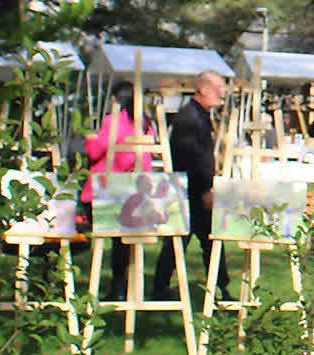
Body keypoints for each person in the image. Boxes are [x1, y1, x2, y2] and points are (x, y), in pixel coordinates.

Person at [154, 70, 229, 301]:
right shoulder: (190, 118)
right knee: (188, 240)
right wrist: (204, 189)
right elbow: (190, 158)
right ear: (203, 89)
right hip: (190, 191)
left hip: (192, 190)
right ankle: (219, 288)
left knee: (194, 241)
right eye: (219, 87)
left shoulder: (199, 115)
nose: (223, 92)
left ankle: (219, 287)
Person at [82, 82, 156, 301]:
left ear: (114, 100)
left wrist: (89, 138)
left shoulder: (112, 121)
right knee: (125, 242)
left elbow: (96, 151)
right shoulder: (145, 123)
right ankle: (123, 286)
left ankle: (116, 288)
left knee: (107, 237)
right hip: (136, 189)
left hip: (108, 188)